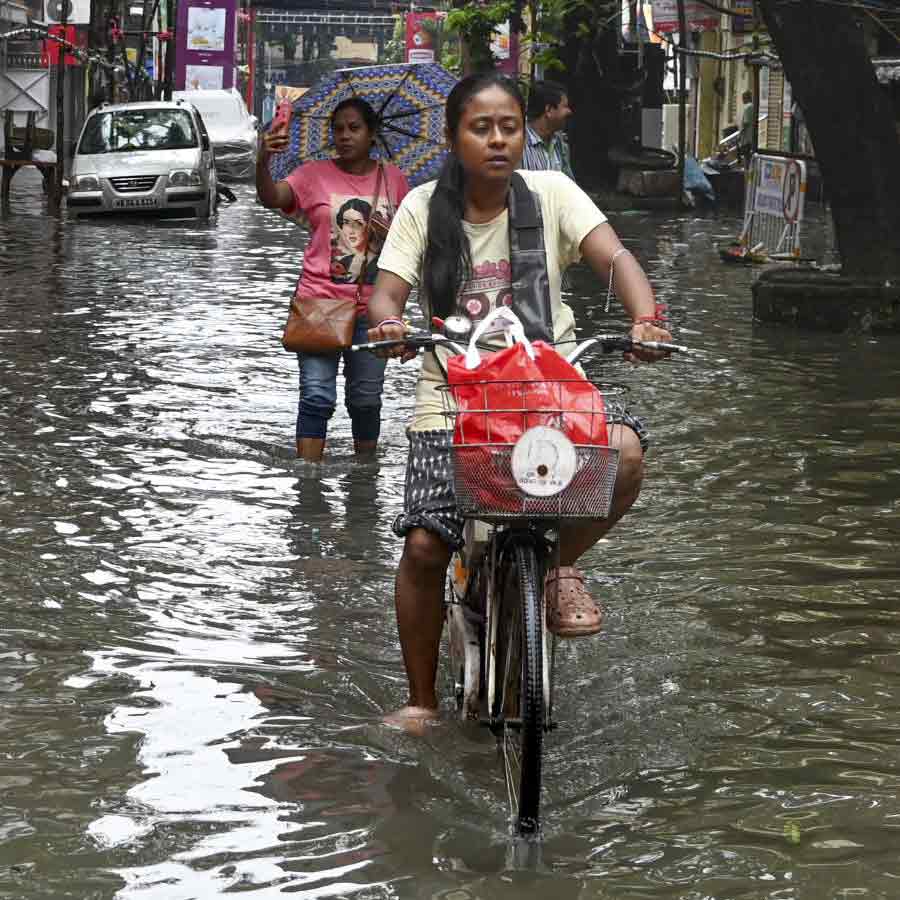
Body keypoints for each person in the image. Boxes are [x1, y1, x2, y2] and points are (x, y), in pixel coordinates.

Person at [365, 73, 673, 731]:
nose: (498, 139)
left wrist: (645, 316)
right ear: (454, 138)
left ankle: (558, 569)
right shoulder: (423, 207)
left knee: (625, 453)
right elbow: (386, 293)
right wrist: (388, 323)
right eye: (481, 128)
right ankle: (422, 700)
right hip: (453, 404)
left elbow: (613, 256)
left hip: (549, 397)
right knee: (424, 545)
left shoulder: (556, 194)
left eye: (508, 125)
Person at [256, 98, 411, 461]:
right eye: (338, 128)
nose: (344, 135)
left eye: (354, 128)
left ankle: (365, 481)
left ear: (372, 134)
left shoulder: (395, 179)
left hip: (375, 309)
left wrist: (386, 231)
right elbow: (271, 197)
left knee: (367, 399)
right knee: (316, 396)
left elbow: (410, 240)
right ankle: (308, 484)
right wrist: (262, 158)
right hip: (319, 301)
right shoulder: (312, 175)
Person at [521, 79, 575, 179]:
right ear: (549, 110)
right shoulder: (519, 145)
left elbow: (570, 185)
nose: (569, 111)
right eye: (565, 106)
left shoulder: (560, 144)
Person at [739, 89, 755, 164]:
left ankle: (747, 172)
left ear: (746, 97)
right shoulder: (752, 106)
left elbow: (746, 122)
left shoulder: (747, 107)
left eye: (743, 97)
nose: (742, 100)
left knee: (746, 158)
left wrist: (740, 134)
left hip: (746, 138)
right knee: (749, 157)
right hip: (751, 137)